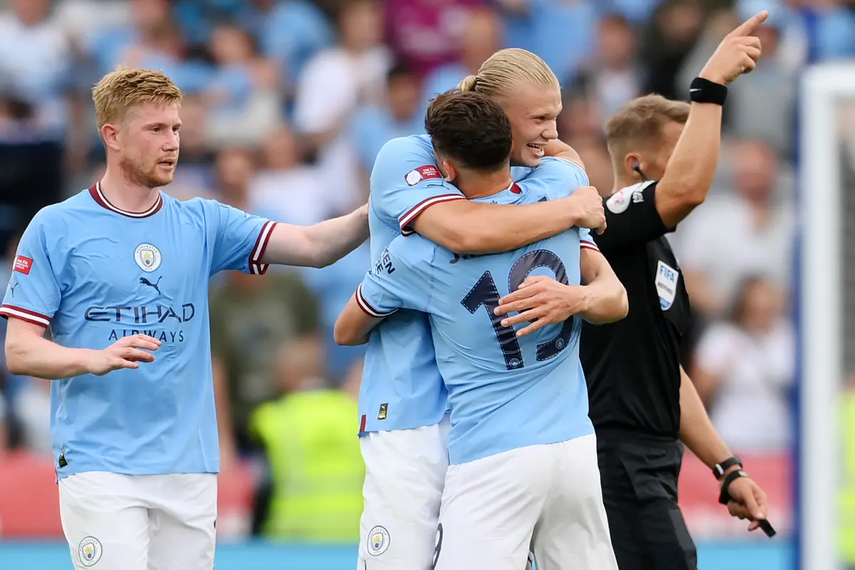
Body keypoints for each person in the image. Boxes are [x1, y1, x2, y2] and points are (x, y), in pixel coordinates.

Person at [0, 66, 368, 570]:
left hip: (189, 468)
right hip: (101, 464)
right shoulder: (56, 227)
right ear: (111, 135)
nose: (172, 142)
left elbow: (314, 245)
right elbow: (19, 349)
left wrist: (387, 206)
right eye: (155, 129)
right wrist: (93, 357)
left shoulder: (203, 221)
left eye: (175, 128)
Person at [493, 12, 773, 570]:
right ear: (637, 165)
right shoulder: (607, 221)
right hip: (612, 457)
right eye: (684, 147)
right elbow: (688, 188)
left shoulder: (656, 254)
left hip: (651, 459)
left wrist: (726, 466)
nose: (704, 161)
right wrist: (709, 87)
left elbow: (665, 372)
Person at [335, 90, 626, 570]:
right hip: (574, 441)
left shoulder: (419, 255)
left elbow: (346, 329)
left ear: (445, 169)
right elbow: (568, 162)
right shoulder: (561, 189)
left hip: (493, 451)